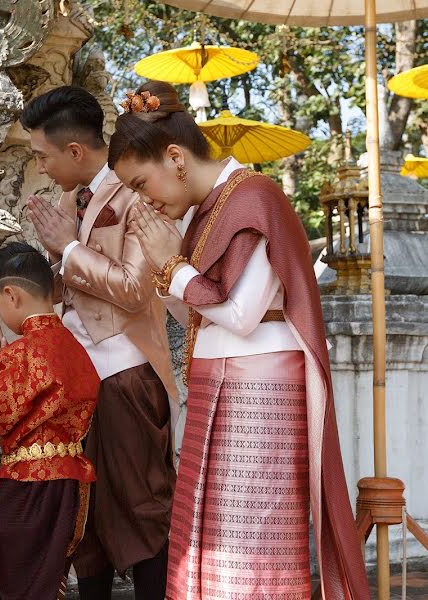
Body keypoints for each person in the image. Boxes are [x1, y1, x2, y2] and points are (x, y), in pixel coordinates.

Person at [113, 80, 370, 599]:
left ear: (175, 157)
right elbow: (196, 314)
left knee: (247, 554)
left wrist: (172, 266)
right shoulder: (206, 213)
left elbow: (241, 313)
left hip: (259, 394)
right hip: (218, 387)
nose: (145, 200)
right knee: (207, 547)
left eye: (141, 184)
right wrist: (172, 272)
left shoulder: (255, 197)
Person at [22, 86, 178, 600]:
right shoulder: (69, 202)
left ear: (74, 150)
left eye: (42, 156)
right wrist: (54, 261)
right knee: (82, 512)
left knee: (140, 506)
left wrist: (68, 247)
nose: (40, 167)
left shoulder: (136, 195)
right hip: (78, 378)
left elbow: (135, 290)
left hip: (127, 373)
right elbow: (69, 287)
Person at [0, 242, 100, 600]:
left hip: (28, 487)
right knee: (50, 579)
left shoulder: (20, 354)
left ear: (11, 295)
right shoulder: (75, 348)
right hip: (72, 483)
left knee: (22, 587)